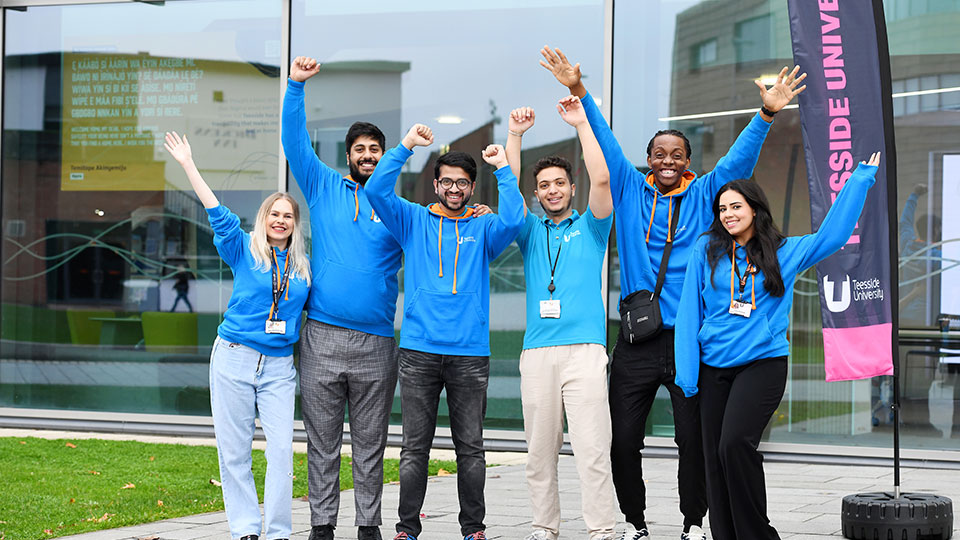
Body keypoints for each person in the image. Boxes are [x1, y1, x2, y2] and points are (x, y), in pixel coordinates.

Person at [540, 45, 806, 540]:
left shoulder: (707, 194)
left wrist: (768, 112)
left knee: (694, 440)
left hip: (689, 341)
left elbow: (739, 158)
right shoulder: (628, 186)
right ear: (648, 160)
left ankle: (693, 522)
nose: (667, 161)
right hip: (637, 340)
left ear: (687, 162)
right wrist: (578, 89)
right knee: (623, 442)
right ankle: (635, 522)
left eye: (676, 155)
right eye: (659, 154)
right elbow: (602, 136)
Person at [281, 59, 492, 540]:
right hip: (322, 335)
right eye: (360, 149)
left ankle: (369, 523)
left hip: (377, 341)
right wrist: (296, 86)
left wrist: (475, 211)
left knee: (371, 443)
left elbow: (445, 223)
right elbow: (294, 140)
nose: (369, 155)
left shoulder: (401, 213)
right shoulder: (322, 186)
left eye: (376, 149)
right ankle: (321, 523)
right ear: (349, 156)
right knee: (323, 441)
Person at [674, 153, 881, 540]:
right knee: (714, 458)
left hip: (762, 363)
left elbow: (832, 236)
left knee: (735, 444)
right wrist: (687, 377)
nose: (728, 214)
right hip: (713, 367)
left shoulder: (785, 251)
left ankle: (757, 535)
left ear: (755, 209)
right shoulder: (706, 250)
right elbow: (689, 313)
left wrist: (859, 180)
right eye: (722, 209)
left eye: (736, 206)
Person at [364, 124, 525, 540]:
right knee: (414, 449)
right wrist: (406, 147)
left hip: (470, 353)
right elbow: (377, 192)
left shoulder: (483, 229)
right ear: (435, 184)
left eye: (463, 183)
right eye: (447, 181)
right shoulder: (413, 220)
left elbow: (514, 217)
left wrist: (503, 168)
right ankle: (406, 529)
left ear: (473, 188)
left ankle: (473, 529)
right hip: (418, 351)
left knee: (470, 448)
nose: (454, 189)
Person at [164, 131, 311, 540]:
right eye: (273, 214)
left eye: (287, 216)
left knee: (281, 450)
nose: (280, 221)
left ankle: (279, 532)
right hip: (234, 357)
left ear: (295, 225)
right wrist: (189, 164)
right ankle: (246, 529)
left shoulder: (303, 267)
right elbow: (216, 212)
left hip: (279, 366)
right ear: (263, 219)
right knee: (235, 452)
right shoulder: (244, 250)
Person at [503, 97, 616, 540]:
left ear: (572, 188)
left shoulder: (592, 228)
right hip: (538, 353)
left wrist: (581, 124)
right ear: (538, 193)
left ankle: (602, 529)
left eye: (560, 183)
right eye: (544, 185)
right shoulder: (530, 232)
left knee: (591, 450)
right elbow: (507, 192)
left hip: (585, 351)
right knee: (539, 453)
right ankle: (544, 527)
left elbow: (603, 176)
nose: (552, 190)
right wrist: (515, 136)